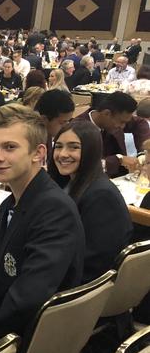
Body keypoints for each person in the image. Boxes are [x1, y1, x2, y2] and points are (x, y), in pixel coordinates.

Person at [0, 104, 85, 341]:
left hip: (30, 335)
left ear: (38, 153)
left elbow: (31, 295)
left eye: (10, 147)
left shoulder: (54, 210)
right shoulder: (9, 204)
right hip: (6, 316)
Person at [49, 121, 132, 283]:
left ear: (91, 151)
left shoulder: (101, 195)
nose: (63, 154)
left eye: (73, 147)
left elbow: (95, 261)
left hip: (81, 288)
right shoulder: (67, 182)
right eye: (58, 146)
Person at [74, 92, 143, 177]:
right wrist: (118, 160)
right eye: (121, 122)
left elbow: (140, 123)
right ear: (107, 113)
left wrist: (143, 154)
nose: (122, 127)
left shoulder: (117, 118)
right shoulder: (77, 130)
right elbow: (81, 165)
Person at [35, 88, 75, 165]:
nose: (66, 127)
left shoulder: (48, 134)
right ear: (44, 119)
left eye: (68, 121)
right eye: (62, 122)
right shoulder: (31, 142)